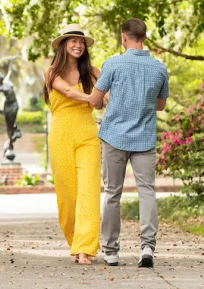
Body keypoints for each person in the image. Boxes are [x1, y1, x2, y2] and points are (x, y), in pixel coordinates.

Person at [88, 18, 169, 268]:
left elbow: (94, 100)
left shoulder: (112, 64)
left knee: (113, 193)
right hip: (144, 138)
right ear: (144, 38)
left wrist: (113, 97)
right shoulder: (159, 69)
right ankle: (147, 247)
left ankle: (111, 251)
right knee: (147, 191)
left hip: (114, 137)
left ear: (124, 37)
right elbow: (160, 105)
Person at [44, 24, 101, 265]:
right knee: (68, 197)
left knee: (88, 191)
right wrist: (92, 98)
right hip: (61, 136)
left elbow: (105, 100)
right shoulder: (50, 73)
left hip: (88, 135)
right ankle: (75, 241)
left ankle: (84, 248)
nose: (78, 45)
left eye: (81, 41)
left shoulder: (94, 73)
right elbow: (66, 91)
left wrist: (104, 98)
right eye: (73, 41)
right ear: (63, 45)